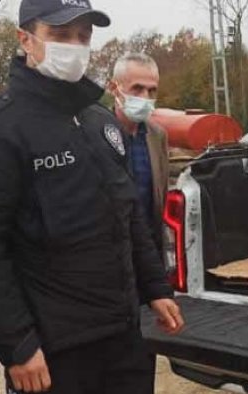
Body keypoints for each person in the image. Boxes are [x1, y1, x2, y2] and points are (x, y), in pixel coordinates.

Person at [0, 1, 185, 394]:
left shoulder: (100, 123)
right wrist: (18, 346)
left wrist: (155, 287)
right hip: (54, 351)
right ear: (26, 40)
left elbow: (128, 216)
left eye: (83, 36)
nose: (75, 46)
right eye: (60, 35)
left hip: (121, 338)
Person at [108, 53, 169, 257]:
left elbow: (161, 194)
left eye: (152, 91)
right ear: (114, 88)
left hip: (150, 250)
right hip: (112, 254)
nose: (145, 98)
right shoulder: (96, 134)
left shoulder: (157, 136)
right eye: (137, 88)